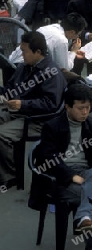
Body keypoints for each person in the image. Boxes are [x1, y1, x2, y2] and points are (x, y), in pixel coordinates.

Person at [33, 83, 92, 250]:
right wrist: (70, 176)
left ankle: (83, 218)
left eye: (88, 108)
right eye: (80, 108)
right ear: (67, 106)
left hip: (87, 174)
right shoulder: (52, 126)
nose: (85, 112)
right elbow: (46, 157)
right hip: (60, 178)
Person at [0, 31, 66, 188]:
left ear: (37, 52)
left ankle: (10, 176)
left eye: (24, 51)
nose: (21, 54)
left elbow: (51, 104)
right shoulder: (25, 67)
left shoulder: (51, 73)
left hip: (39, 121)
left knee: (1, 135)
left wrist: (23, 104)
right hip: (18, 112)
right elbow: (10, 88)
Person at [9, 13, 87, 73]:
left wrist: (70, 53)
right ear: (72, 32)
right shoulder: (62, 40)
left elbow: (52, 54)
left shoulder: (51, 27)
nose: (78, 36)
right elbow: (64, 68)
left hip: (11, 62)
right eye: (78, 34)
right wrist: (74, 51)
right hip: (23, 70)